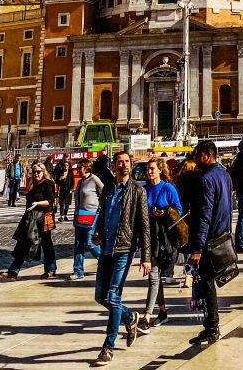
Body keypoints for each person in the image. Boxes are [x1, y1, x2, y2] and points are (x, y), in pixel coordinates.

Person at [91, 151, 151, 365]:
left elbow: (145, 226)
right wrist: (98, 232)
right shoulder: (108, 188)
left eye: (127, 162)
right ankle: (129, 317)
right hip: (106, 248)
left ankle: (108, 347)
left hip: (124, 249)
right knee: (101, 297)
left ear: (131, 165)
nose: (124, 165)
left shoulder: (137, 191)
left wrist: (146, 256)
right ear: (114, 165)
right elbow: (103, 213)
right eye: (120, 162)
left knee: (113, 296)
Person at [186, 139, 233, 346]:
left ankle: (212, 327)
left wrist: (197, 246)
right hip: (222, 234)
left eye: (197, 155)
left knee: (206, 284)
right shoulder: (225, 174)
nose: (195, 160)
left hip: (209, 239)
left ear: (207, 155)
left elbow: (205, 214)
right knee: (208, 283)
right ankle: (210, 326)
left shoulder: (205, 178)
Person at [138, 157, 182, 334]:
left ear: (160, 170)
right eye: (147, 169)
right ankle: (162, 312)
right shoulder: (144, 189)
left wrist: (163, 213)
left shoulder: (168, 188)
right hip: (148, 237)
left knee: (154, 277)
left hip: (163, 237)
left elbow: (178, 210)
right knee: (155, 278)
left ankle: (146, 317)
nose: (149, 172)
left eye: (152, 169)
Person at [0, 161, 57, 280]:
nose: (36, 174)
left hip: (43, 218)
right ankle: (13, 271)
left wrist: (37, 203)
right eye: (34, 172)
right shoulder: (33, 184)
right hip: (31, 219)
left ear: (43, 172)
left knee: (46, 244)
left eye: (38, 172)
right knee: (24, 243)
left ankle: (50, 269)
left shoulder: (47, 183)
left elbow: (51, 202)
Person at [70, 159, 103, 280]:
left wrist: (99, 209)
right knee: (78, 244)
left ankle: (105, 260)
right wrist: (75, 216)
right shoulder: (80, 182)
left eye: (80, 167)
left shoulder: (94, 179)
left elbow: (104, 192)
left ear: (86, 167)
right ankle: (78, 270)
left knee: (90, 243)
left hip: (91, 215)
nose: (78, 170)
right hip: (80, 215)